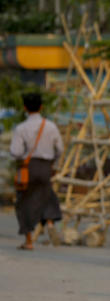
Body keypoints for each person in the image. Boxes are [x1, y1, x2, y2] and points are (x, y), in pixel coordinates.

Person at [10, 92, 63, 250]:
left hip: (29, 168)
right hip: (46, 166)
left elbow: (16, 151)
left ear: (25, 107)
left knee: (24, 201)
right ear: (41, 107)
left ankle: (28, 240)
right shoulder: (51, 126)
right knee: (46, 195)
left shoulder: (21, 128)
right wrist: (54, 163)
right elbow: (60, 148)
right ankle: (50, 222)